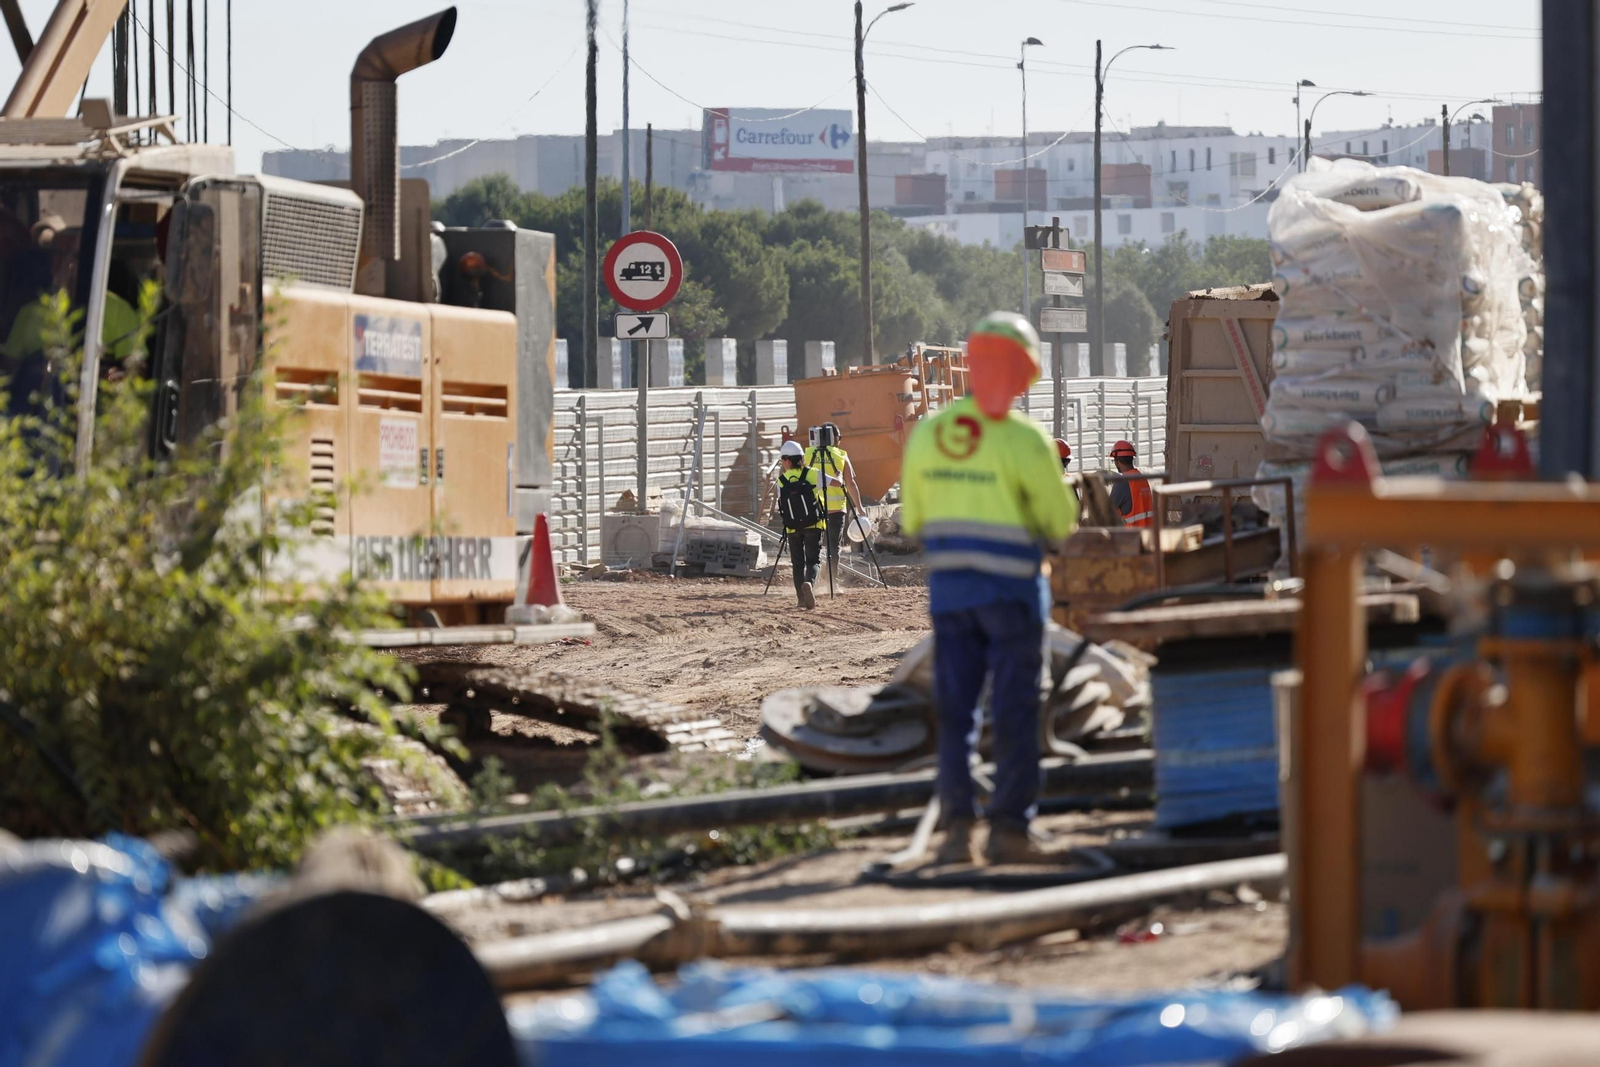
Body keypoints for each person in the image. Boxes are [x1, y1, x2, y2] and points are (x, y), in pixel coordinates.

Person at [899, 311, 1080, 865]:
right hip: (1013, 600)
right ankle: (1009, 832)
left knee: (956, 713)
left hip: (952, 597)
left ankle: (957, 833)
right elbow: (1060, 523)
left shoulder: (930, 432)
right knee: (1018, 709)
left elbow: (912, 522)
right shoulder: (1027, 442)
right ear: (1026, 373)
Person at [803, 423, 863, 580]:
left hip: (812, 508)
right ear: (835, 438)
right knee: (833, 548)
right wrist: (860, 508)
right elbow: (850, 483)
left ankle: (810, 579)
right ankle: (832, 581)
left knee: (811, 546)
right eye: (839, 438)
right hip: (836, 510)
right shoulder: (841, 455)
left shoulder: (808, 453)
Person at [776, 439, 825, 610]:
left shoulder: (782, 481)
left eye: (782, 460)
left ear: (788, 460)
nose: (782, 464)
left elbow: (780, 506)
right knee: (813, 561)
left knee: (797, 563)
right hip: (814, 525)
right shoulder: (813, 473)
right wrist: (840, 479)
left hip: (792, 528)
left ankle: (801, 600)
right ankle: (809, 583)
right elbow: (834, 482)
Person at [1108, 440, 1154, 528]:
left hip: (1130, 536)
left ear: (1117, 461)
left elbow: (1107, 509)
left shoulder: (1122, 482)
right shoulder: (1142, 479)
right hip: (1148, 534)